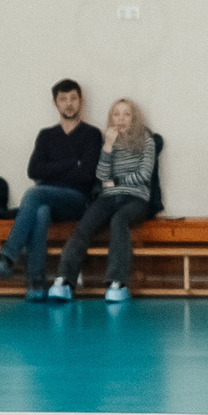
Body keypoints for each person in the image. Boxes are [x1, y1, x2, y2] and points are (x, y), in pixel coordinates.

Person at [0, 79, 103, 298]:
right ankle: (35, 285)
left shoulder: (91, 134)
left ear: (80, 101)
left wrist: (53, 170)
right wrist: (73, 162)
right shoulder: (46, 135)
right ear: (55, 103)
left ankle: (8, 258)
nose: (69, 104)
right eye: (63, 99)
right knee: (40, 210)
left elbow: (86, 175)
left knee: (34, 193)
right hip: (47, 199)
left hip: (77, 200)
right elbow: (34, 170)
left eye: (73, 98)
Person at [52, 99, 163, 304]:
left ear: (134, 118)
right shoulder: (108, 142)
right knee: (84, 226)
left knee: (119, 221)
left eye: (126, 114)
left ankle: (117, 283)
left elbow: (144, 175)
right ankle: (64, 280)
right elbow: (102, 176)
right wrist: (108, 147)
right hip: (109, 197)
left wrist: (117, 181)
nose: (121, 119)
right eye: (116, 114)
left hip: (136, 198)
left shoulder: (146, 140)